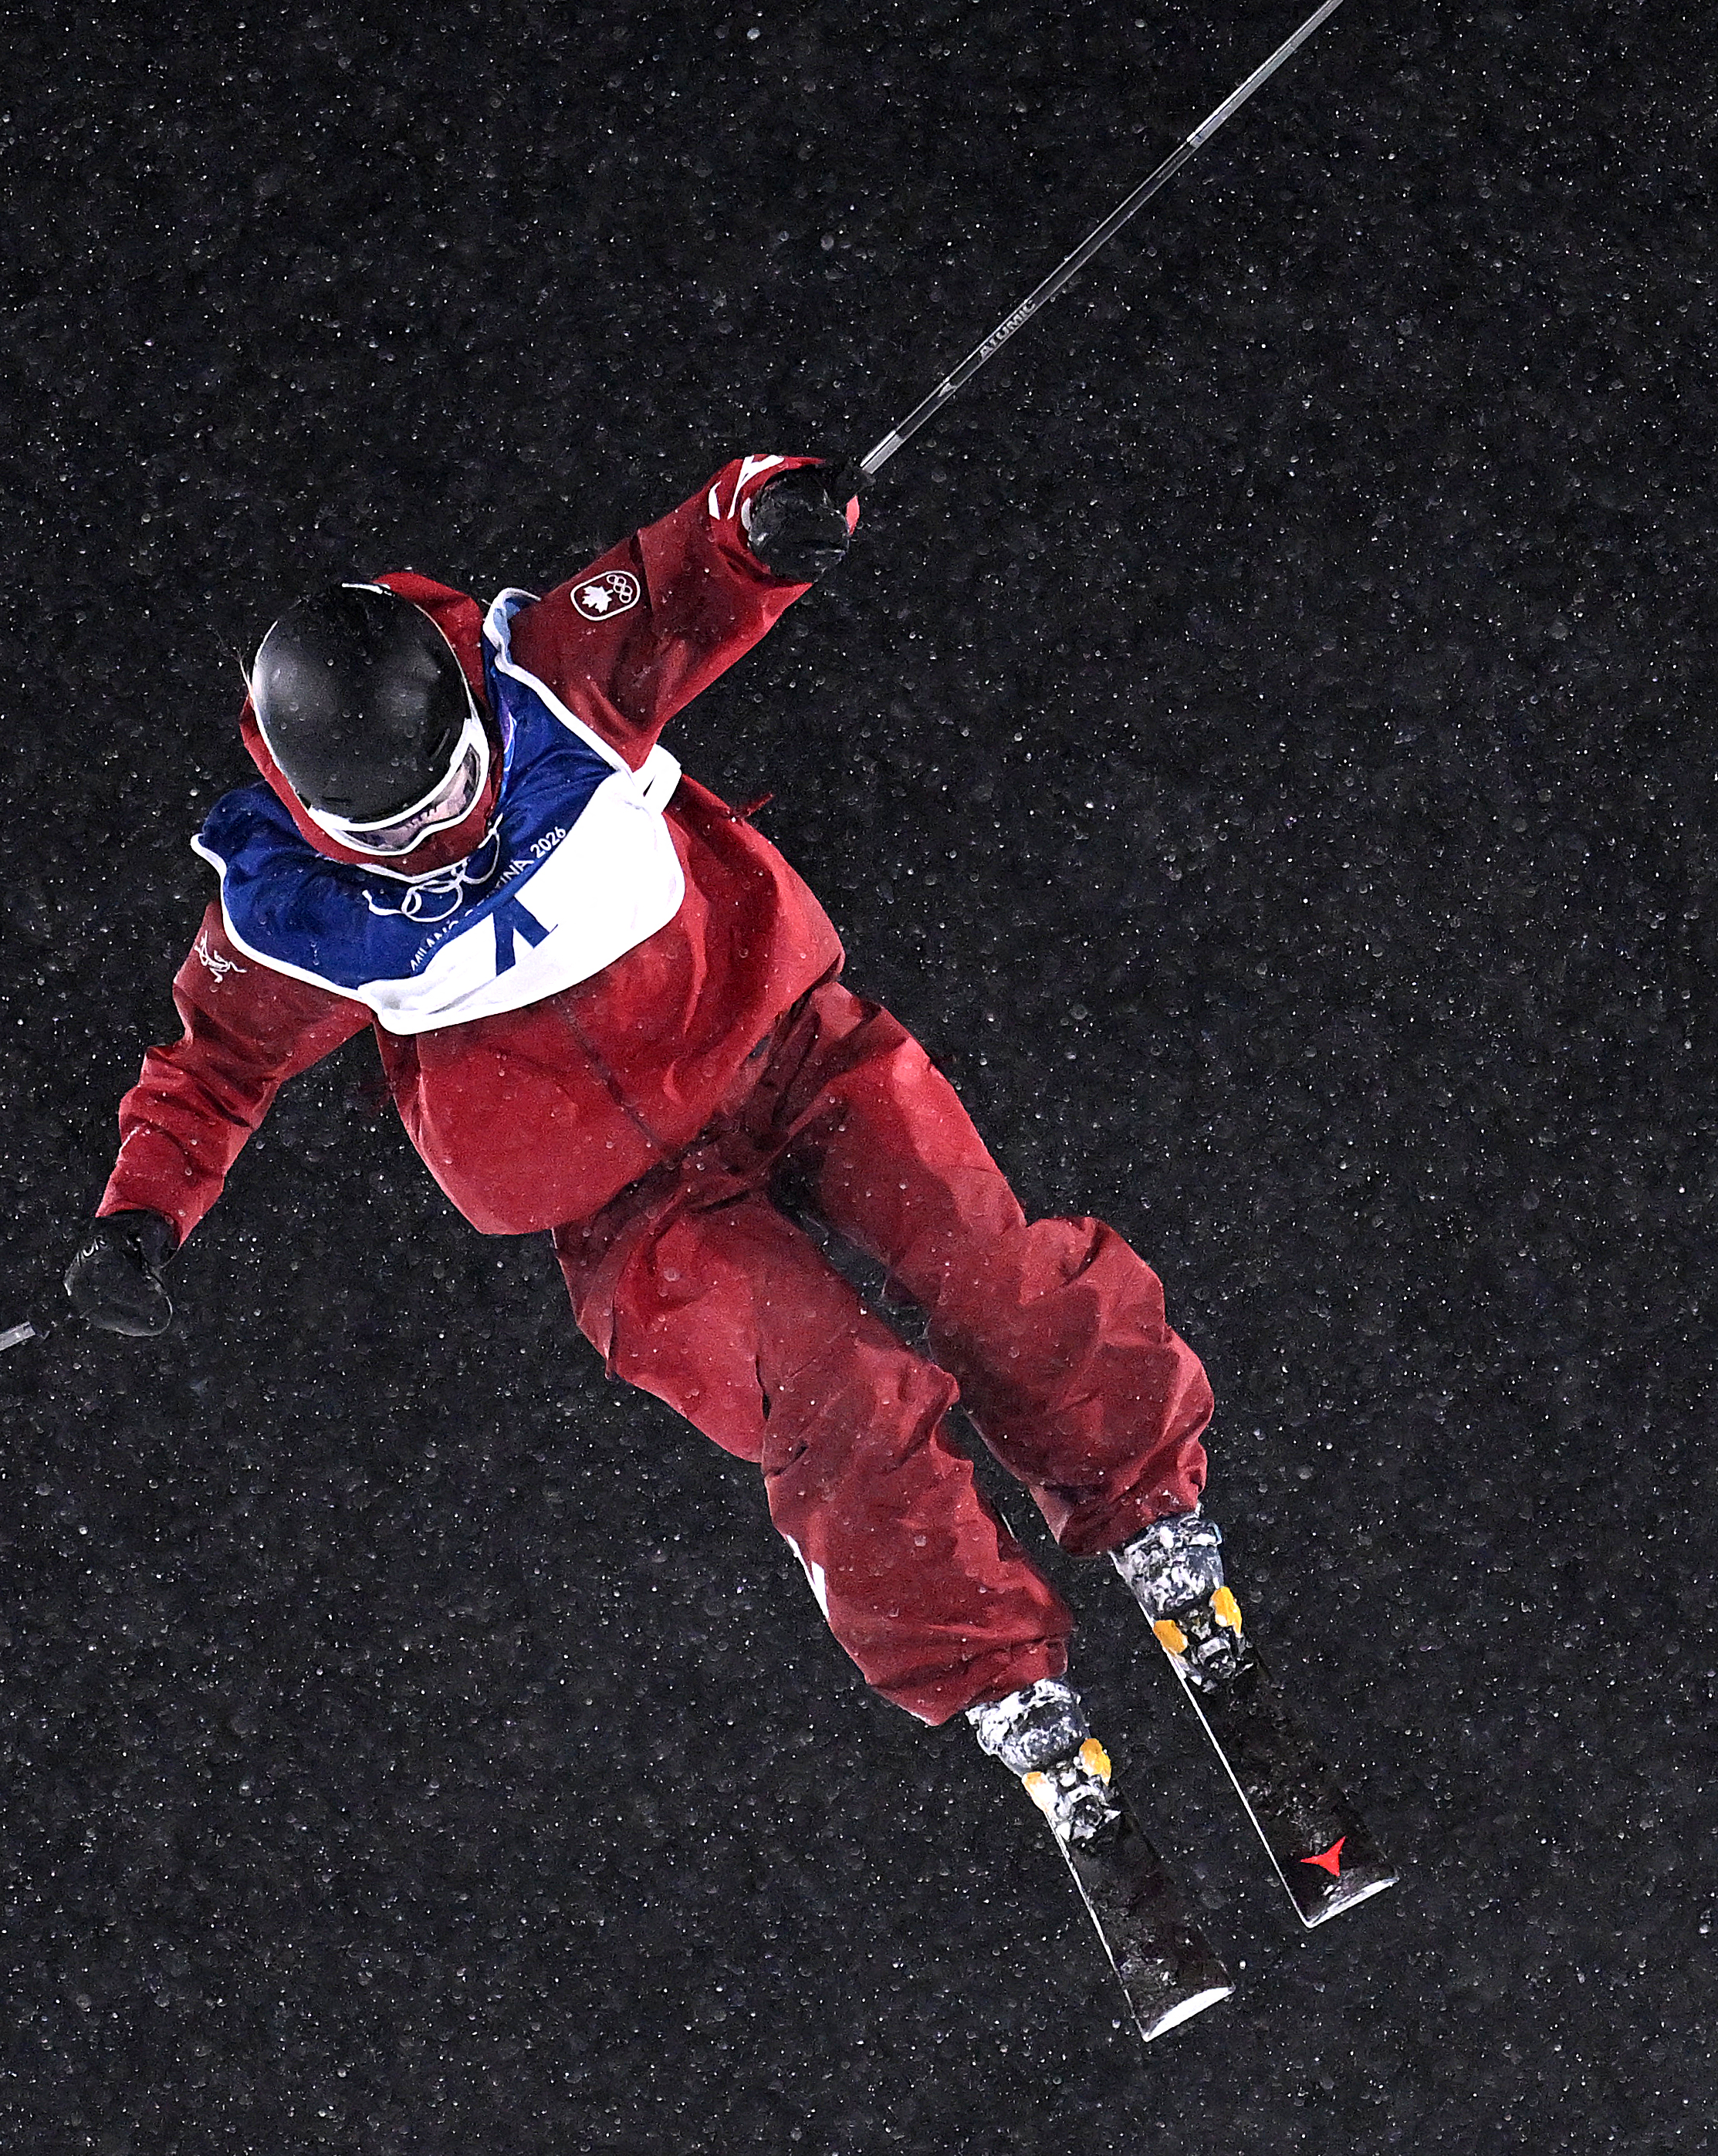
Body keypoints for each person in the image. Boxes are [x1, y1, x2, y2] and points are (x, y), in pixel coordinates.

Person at [64, 452, 1256, 1852]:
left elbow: (690, 568)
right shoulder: (288, 914)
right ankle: (1004, 1684)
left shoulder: (550, 679)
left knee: (985, 1275)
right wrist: (139, 1218)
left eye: (450, 788)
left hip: (790, 1051)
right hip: (629, 1210)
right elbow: (213, 1064)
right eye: (384, 834)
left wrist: (769, 519)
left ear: (463, 715)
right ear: (314, 812)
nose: (441, 841)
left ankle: (1146, 1516)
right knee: (833, 1398)